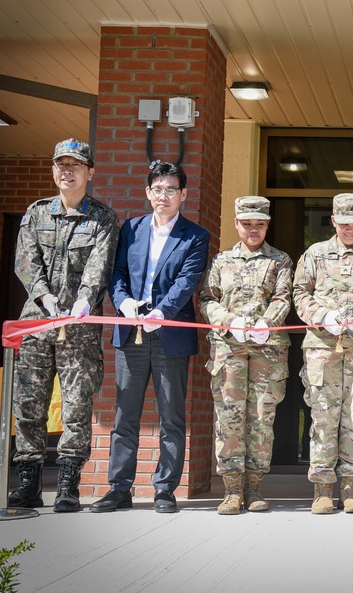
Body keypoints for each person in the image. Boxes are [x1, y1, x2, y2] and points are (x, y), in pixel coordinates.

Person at [91, 161, 209, 513]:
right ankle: (119, 488)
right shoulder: (131, 228)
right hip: (130, 332)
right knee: (125, 414)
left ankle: (165, 489)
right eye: (158, 189)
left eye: (171, 190)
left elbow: (187, 282)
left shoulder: (195, 236)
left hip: (169, 333)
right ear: (148, 193)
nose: (164, 196)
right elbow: (118, 272)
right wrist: (124, 302)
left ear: (183, 195)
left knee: (171, 416)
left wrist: (161, 313)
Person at [9, 139, 118, 512]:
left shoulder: (102, 217)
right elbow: (26, 262)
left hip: (79, 326)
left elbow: (99, 265)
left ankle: (68, 483)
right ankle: (28, 483)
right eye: (61, 165)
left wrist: (84, 298)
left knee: (76, 405)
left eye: (75, 164)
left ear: (90, 171)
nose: (67, 171)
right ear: (54, 170)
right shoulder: (36, 213)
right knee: (28, 404)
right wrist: (43, 297)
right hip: (37, 323)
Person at [293, 193, 353, 514]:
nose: (352, 229)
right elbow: (299, 292)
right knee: (323, 417)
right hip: (323, 348)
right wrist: (321, 316)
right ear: (334, 221)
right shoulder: (315, 254)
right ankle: (322, 488)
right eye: (346, 223)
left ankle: (350, 486)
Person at [199, 196, 294, 514]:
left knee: (260, 421)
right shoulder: (221, 261)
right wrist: (229, 321)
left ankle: (253, 488)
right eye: (247, 223)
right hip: (229, 350)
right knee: (229, 420)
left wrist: (268, 322)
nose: (254, 229)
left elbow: (283, 297)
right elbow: (207, 299)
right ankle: (231, 491)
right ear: (237, 224)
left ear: (267, 225)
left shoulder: (280, 260)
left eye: (260, 224)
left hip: (267, 351)